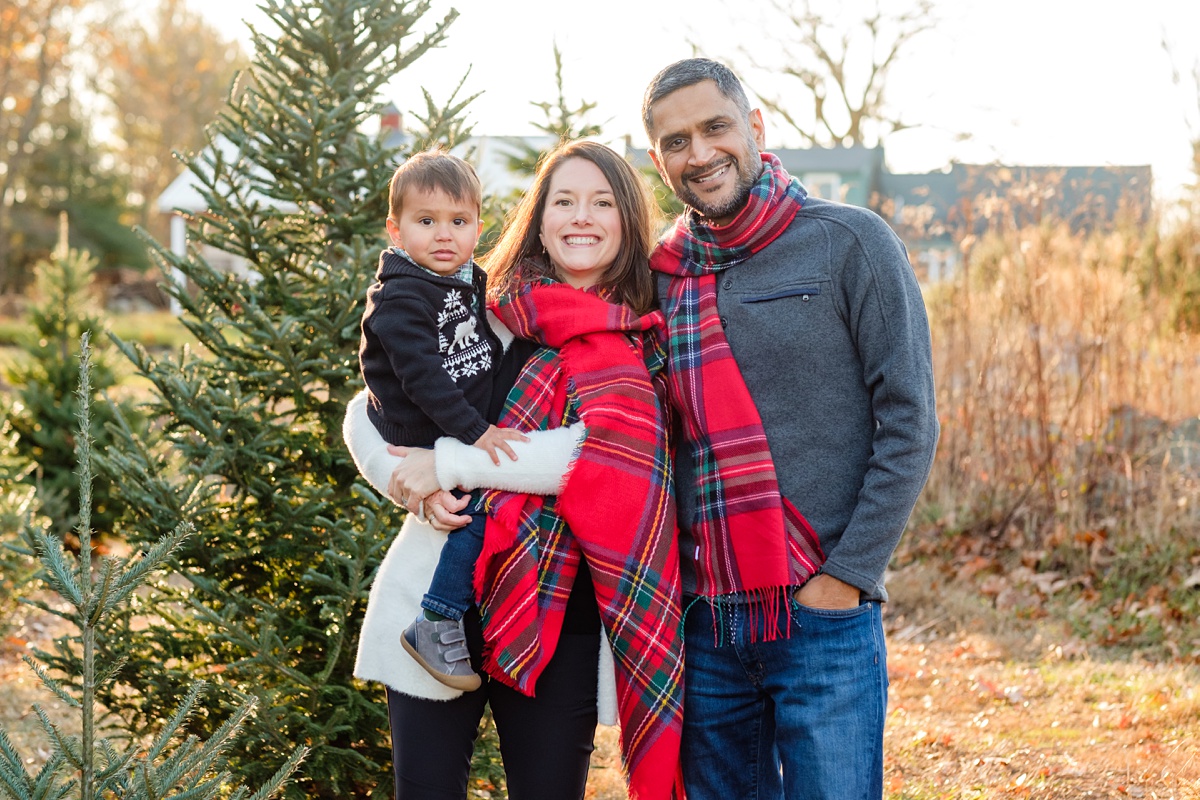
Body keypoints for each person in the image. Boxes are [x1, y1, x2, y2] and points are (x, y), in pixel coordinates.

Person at [345, 140, 684, 800]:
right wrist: (399, 478)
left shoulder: (648, 332)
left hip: (560, 613)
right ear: (539, 216)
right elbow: (369, 407)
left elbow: (589, 454)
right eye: (563, 201)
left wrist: (444, 461)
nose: (580, 217)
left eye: (601, 202)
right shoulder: (489, 307)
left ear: (627, 219)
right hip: (437, 598)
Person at [639, 58, 940, 799]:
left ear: (756, 127)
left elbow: (910, 421)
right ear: (658, 161)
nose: (700, 153)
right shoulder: (656, 277)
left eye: (716, 127)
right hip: (705, 622)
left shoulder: (850, 243)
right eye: (677, 142)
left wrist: (847, 577)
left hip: (822, 618)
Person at [357, 149, 526, 691]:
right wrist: (477, 436)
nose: (444, 235)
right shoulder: (401, 296)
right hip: (421, 430)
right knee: (475, 512)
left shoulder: (464, 279)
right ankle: (437, 616)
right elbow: (425, 379)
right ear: (396, 229)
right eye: (426, 222)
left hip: (452, 424)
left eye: (459, 222)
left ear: (479, 225)